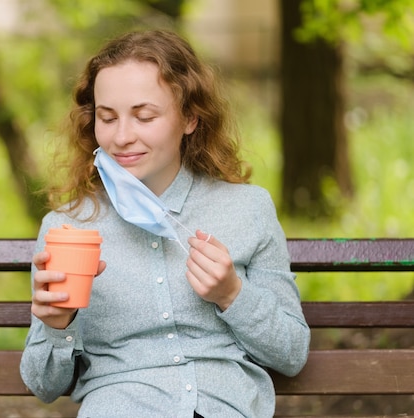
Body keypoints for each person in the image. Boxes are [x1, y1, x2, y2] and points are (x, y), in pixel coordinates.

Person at [20, 29, 310, 417]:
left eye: (144, 116)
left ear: (190, 117)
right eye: (107, 118)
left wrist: (232, 294)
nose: (122, 137)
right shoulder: (67, 229)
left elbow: (291, 354)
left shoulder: (247, 209)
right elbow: (43, 385)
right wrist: (58, 326)